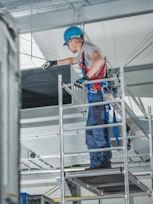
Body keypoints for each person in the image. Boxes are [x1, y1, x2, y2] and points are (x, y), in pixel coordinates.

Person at [42, 26, 112, 169]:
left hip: (97, 94)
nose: (68, 47)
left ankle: (102, 164)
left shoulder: (89, 48)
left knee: (97, 128)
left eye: (67, 44)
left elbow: (99, 61)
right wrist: (54, 62)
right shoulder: (83, 53)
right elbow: (72, 60)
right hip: (93, 96)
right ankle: (96, 163)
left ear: (73, 40)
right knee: (91, 130)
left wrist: (85, 78)